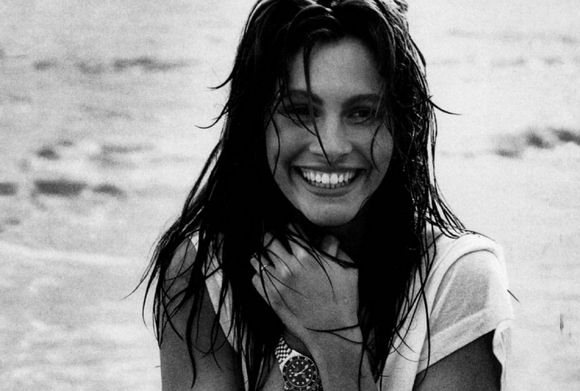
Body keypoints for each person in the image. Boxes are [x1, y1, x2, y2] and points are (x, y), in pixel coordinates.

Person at [142, 0, 514, 390]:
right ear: (258, 125)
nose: (331, 145)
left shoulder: (456, 279)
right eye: (301, 110)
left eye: (361, 113)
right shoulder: (205, 272)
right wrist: (296, 345)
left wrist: (336, 341)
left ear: (399, 128)